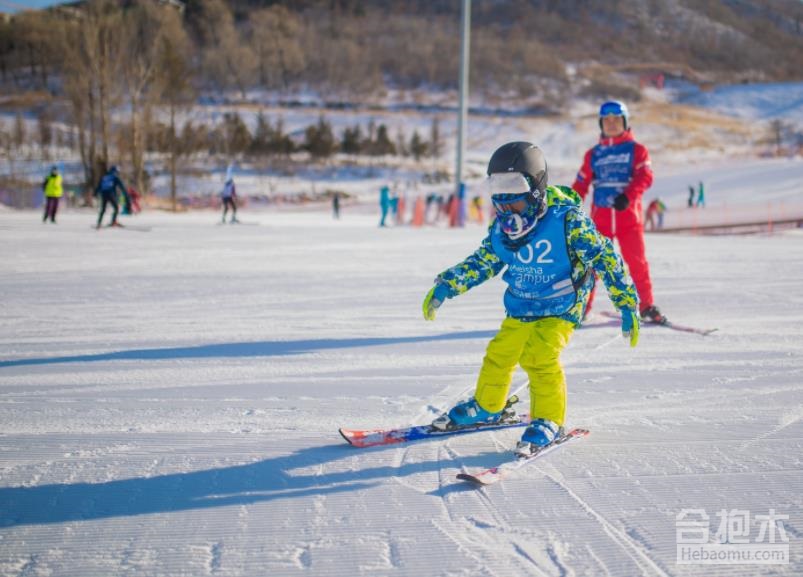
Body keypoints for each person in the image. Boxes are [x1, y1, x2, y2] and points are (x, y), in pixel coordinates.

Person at [422, 142, 639, 455]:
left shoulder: (567, 221)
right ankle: (488, 405)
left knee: (540, 356)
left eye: (514, 188)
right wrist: (447, 285)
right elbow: (483, 261)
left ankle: (549, 419)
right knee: (499, 353)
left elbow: (606, 258)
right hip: (522, 305)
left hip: (562, 305)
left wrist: (627, 304)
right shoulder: (502, 230)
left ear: (536, 188)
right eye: (497, 188)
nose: (506, 202)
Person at [572, 100, 668, 325]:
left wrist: (628, 196)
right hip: (600, 221)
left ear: (625, 122)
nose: (612, 124)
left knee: (637, 262)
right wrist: (568, 205)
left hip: (629, 219)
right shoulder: (593, 155)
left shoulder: (637, 150)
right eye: (607, 120)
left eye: (617, 120)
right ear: (601, 124)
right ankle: (582, 305)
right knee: (592, 263)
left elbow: (645, 177)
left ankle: (646, 305)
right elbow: (580, 185)